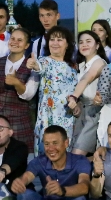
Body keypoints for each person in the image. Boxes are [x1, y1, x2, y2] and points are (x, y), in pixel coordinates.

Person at [26, 26, 78, 155]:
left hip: (67, 120)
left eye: (59, 40)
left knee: (64, 158)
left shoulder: (73, 68)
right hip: (48, 119)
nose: (55, 43)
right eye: (52, 39)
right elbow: (39, 67)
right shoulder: (45, 61)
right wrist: (33, 64)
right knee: (46, 157)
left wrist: (76, 107)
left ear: (67, 44)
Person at [0, 27, 37, 153]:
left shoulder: (32, 65)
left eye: (20, 40)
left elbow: (28, 95)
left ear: (27, 45)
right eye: (13, 38)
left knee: (19, 157)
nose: (15, 42)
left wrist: (16, 82)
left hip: (18, 121)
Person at [67, 30, 108, 155]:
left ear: (97, 45)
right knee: (75, 152)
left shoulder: (99, 62)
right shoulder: (81, 65)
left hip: (95, 112)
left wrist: (74, 97)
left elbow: (87, 78)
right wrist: (78, 103)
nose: (84, 44)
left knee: (77, 153)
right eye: (81, 42)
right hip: (83, 112)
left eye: (88, 41)